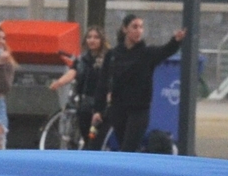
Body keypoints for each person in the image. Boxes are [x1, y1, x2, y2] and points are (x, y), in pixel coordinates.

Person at [101, 15, 185, 151]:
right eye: (135, 27)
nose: (139, 30)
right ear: (124, 29)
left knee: (128, 148)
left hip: (139, 110)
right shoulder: (113, 55)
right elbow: (103, 82)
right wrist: (98, 109)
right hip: (118, 108)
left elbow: (165, 51)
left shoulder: (146, 53)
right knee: (123, 146)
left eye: (141, 27)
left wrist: (175, 41)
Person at [49, 25, 110, 148]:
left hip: (100, 104)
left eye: (96, 37)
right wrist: (60, 82)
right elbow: (73, 72)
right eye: (89, 37)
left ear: (102, 40)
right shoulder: (82, 59)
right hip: (84, 104)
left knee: (96, 139)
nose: (92, 40)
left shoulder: (108, 59)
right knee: (86, 137)